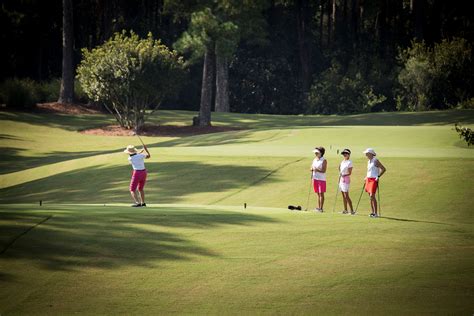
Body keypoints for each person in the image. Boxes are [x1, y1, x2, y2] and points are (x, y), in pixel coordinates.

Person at [364, 148, 386, 217]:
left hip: (374, 180)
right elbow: (369, 171)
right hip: (368, 179)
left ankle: (376, 213)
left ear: (371, 153)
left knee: (372, 195)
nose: (366, 155)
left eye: (367, 153)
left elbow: (383, 169)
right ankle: (372, 212)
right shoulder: (368, 161)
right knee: (370, 197)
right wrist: (366, 177)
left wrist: (378, 176)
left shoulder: (375, 160)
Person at [338, 148, 355, 215]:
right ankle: (345, 210)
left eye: (346, 154)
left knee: (346, 195)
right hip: (341, 180)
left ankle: (352, 210)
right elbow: (339, 168)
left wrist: (343, 174)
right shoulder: (342, 161)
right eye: (344, 154)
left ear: (349, 154)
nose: (345, 155)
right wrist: (340, 174)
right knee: (343, 196)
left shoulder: (349, 162)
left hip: (346, 180)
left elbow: (350, 173)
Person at [310, 147, 327, 212]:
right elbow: (311, 167)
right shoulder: (314, 159)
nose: (315, 153)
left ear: (321, 153)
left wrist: (316, 169)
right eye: (315, 152)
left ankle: (321, 208)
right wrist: (312, 169)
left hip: (321, 179)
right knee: (318, 193)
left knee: (321, 194)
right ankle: (319, 207)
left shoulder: (324, 160)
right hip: (315, 178)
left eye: (317, 152)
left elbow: (324, 170)